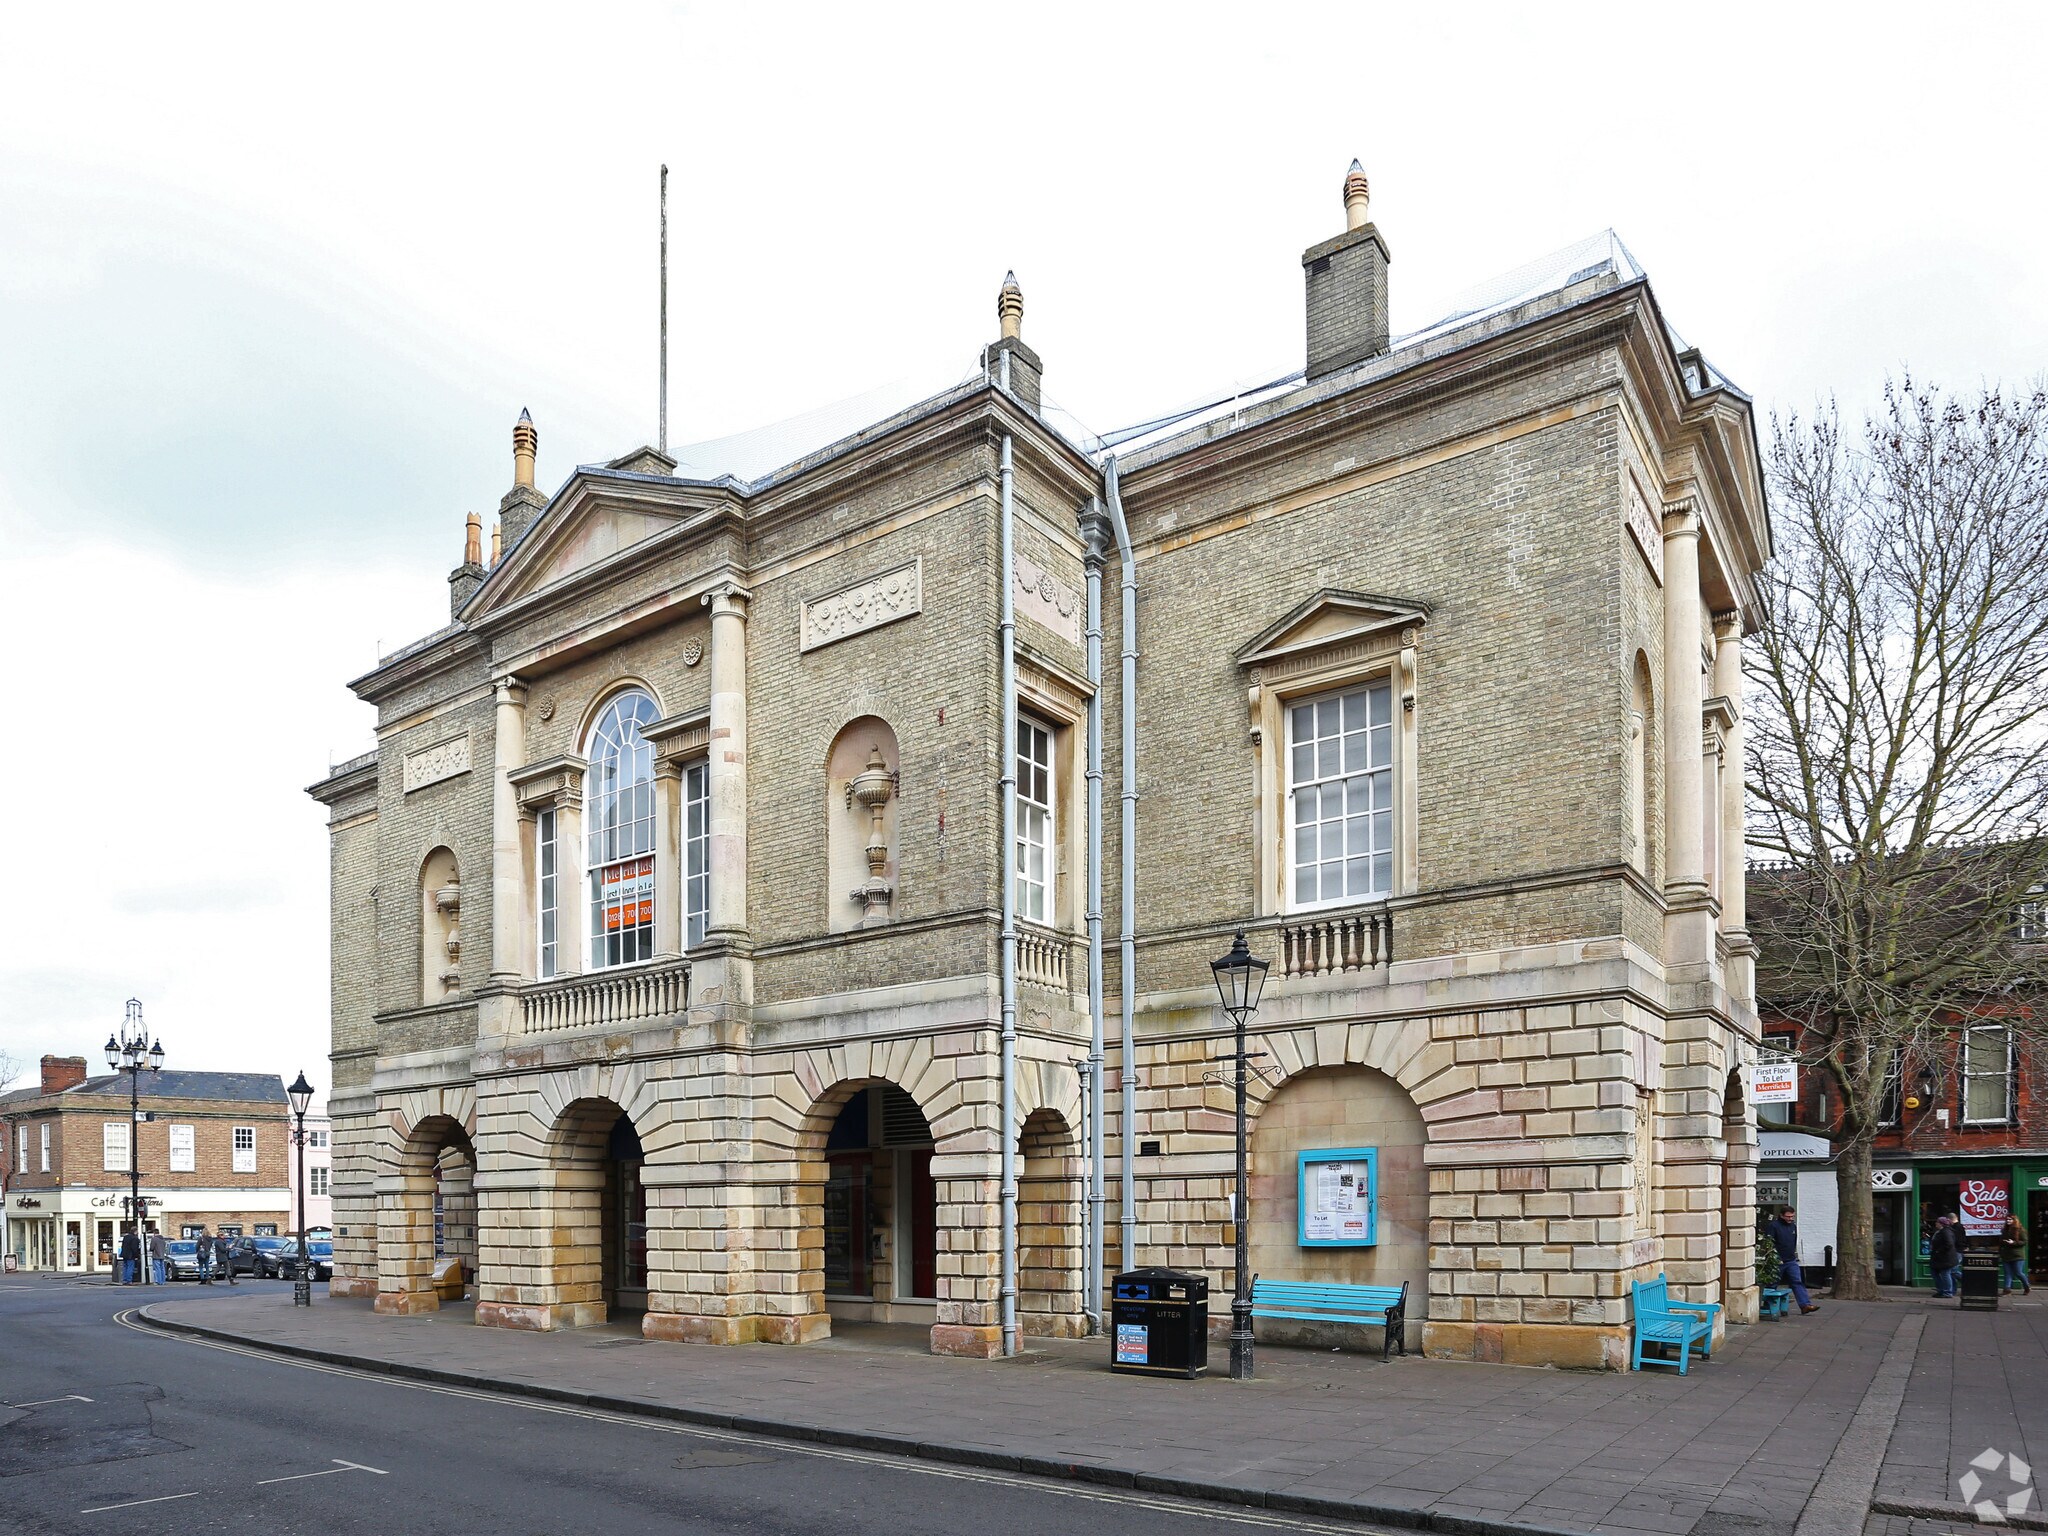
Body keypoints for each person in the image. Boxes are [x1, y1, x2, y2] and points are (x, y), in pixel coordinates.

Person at [1765, 1207, 1820, 1314]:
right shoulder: (1774, 1226)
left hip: (1790, 1260)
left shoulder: (1792, 1226)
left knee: (1797, 1282)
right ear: (1781, 1215)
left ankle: (1805, 1305)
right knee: (1772, 1284)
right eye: (1788, 1216)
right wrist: (1773, 1257)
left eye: (1792, 1216)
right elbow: (1769, 1243)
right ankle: (1768, 1305)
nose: (1790, 1219)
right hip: (1777, 1261)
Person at [1928, 1213, 1962, 1298]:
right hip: (1940, 1258)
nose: (1936, 1223)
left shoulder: (1946, 1232)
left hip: (1946, 1258)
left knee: (1946, 1273)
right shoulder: (1941, 1231)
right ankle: (1942, 1290)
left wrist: (1938, 1251)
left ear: (1941, 1224)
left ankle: (1947, 1292)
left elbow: (1949, 1244)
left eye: (1937, 1222)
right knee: (1936, 1273)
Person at [2000, 1214, 2032, 1296]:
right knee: (2008, 1273)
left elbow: (2024, 1241)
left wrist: (2013, 1242)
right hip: (2006, 1255)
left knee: (2018, 1272)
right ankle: (2007, 1290)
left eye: (2010, 1219)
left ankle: (2026, 1286)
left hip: (2017, 1255)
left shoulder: (2020, 1230)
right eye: (2007, 1219)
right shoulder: (2004, 1230)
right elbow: (2001, 1241)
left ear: (2014, 1220)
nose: (2008, 1221)